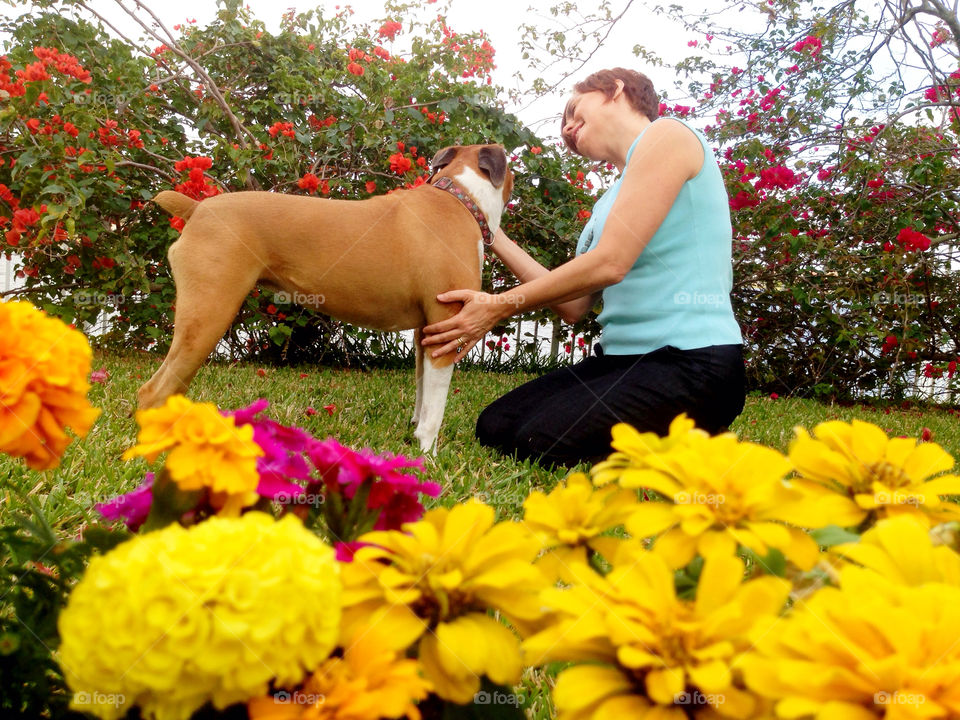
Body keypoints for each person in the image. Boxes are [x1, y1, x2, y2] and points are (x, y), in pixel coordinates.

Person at [420, 67, 745, 466]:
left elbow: (610, 263)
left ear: (616, 90)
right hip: (619, 363)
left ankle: (689, 437)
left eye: (575, 110)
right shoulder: (609, 201)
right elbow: (574, 306)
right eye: (564, 123)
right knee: (496, 425)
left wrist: (498, 305)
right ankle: (658, 432)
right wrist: (490, 230)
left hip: (693, 365)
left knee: (538, 440)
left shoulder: (668, 136)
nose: (567, 128)